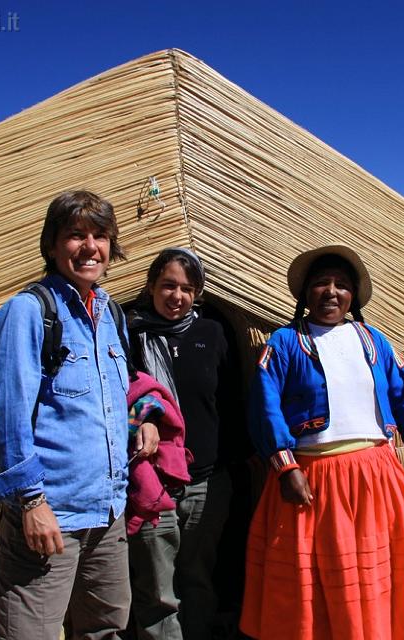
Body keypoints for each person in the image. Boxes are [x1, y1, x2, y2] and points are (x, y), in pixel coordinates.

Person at [0, 190, 158, 640]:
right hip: (51, 514)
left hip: (107, 512)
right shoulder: (29, 312)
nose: (89, 247)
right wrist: (32, 503)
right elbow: (7, 418)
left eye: (100, 236)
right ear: (53, 245)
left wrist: (144, 418)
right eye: (75, 235)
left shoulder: (112, 313)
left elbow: (119, 392)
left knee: (107, 629)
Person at [241, 245, 404, 640]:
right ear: (305, 294)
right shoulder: (283, 344)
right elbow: (264, 406)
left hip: (375, 476)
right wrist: (285, 467)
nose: (331, 292)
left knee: (377, 568)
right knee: (311, 577)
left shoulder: (375, 342)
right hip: (312, 478)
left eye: (342, 285)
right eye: (321, 284)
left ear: (353, 296)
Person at [126, 248, 243, 640]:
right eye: (168, 286)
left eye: (187, 289)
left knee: (197, 578)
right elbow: (117, 395)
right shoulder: (131, 334)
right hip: (150, 480)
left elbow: (229, 398)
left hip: (207, 482)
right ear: (151, 287)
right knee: (157, 589)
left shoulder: (212, 332)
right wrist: (144, 418)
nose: (177, 296)